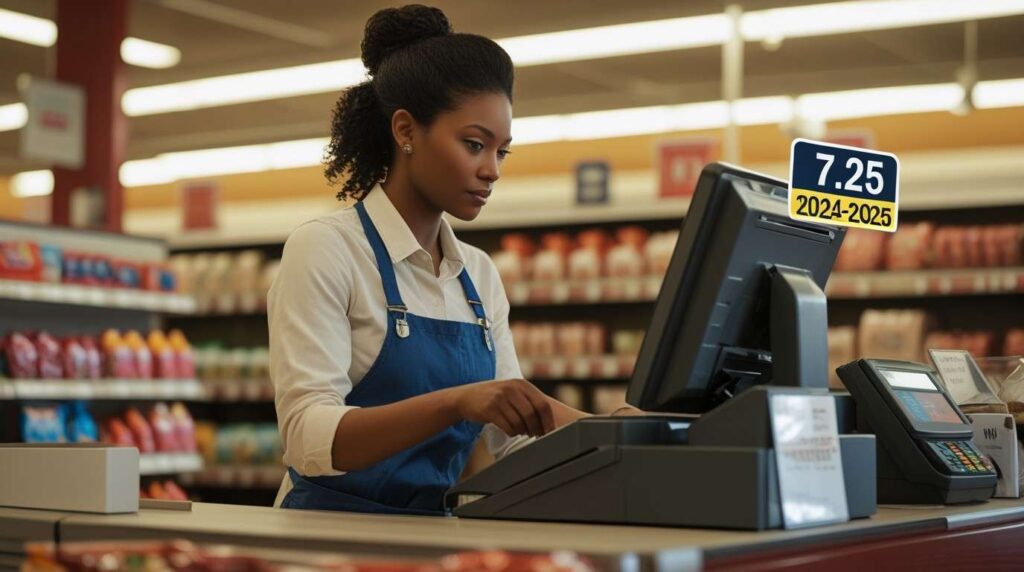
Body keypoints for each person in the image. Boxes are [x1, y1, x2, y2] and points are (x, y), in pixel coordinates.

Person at [269, 4, 593, 515]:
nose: (492, 171)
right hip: (325, 537)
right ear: (405, 131)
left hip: (430, 535)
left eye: (502, 152)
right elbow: (309, 438)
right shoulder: (327, 248)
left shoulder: (478, 274)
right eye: (473, 145)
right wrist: (456, 401)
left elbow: (514, 437)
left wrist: (616, 433)